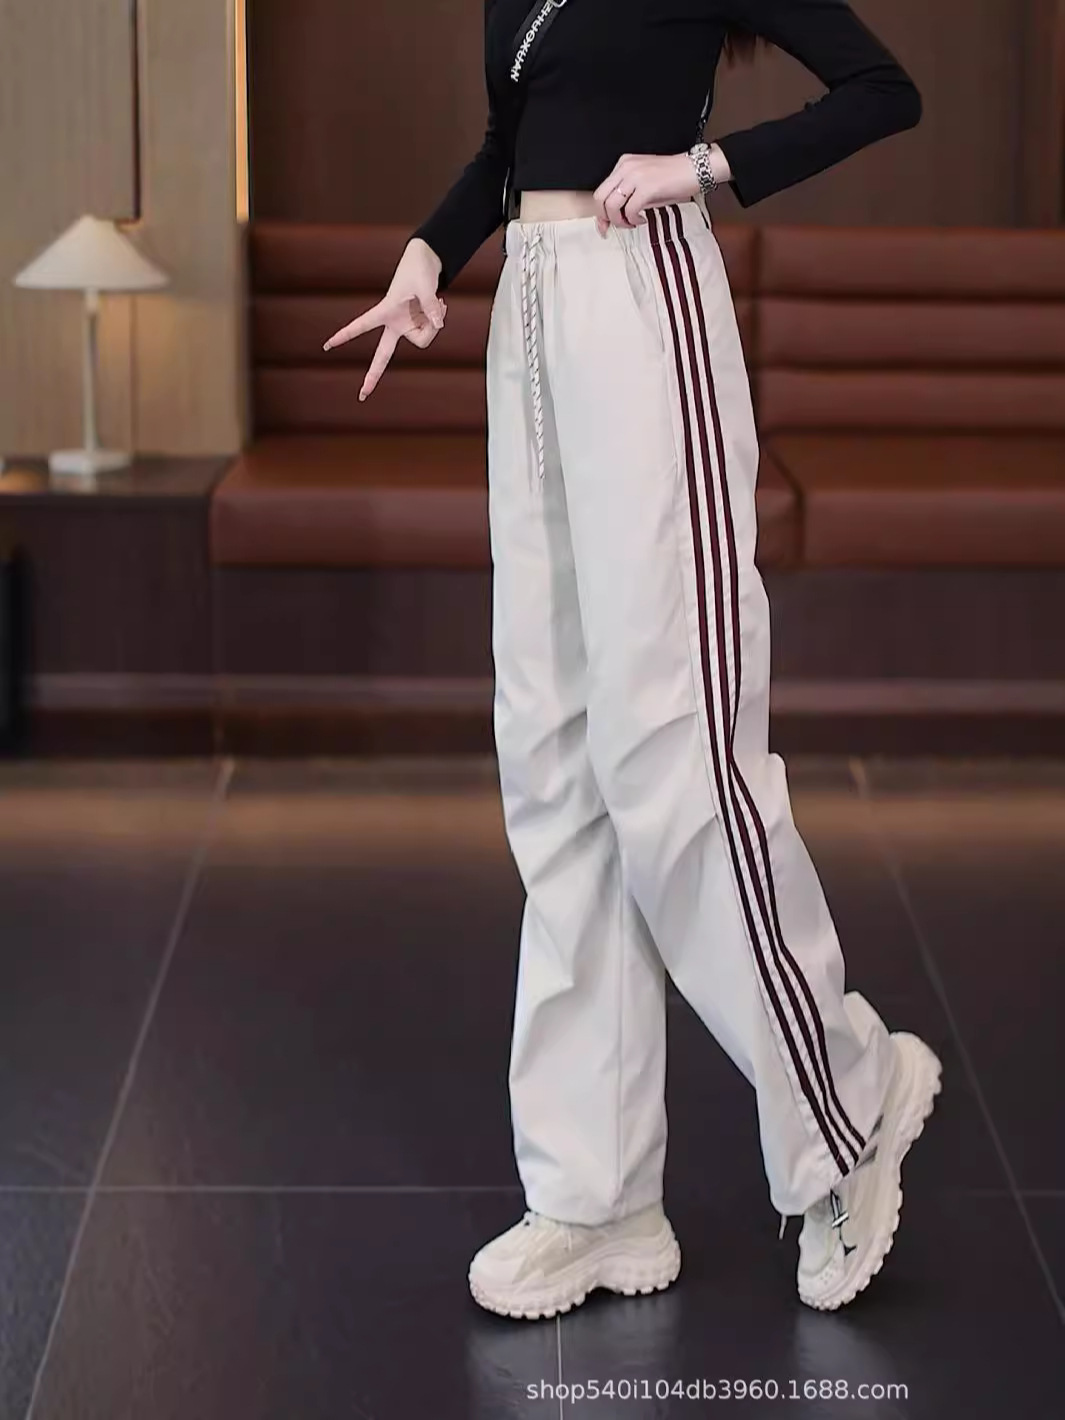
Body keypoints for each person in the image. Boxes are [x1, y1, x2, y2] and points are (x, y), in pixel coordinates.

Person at [324, 0, 941, 1319]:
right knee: (555, 766)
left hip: (644, 302)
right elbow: (512, 141)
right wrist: (431, 251)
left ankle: (848, 1099)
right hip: (530, 315)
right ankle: (596, 1198)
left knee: (677, 758)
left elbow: (881, 90)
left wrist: (702, 168)